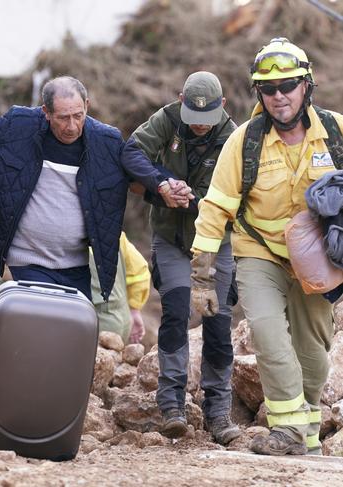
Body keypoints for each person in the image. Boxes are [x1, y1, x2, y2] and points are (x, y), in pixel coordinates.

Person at [191, 38, 343, 456]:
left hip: (318, 262)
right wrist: (202, 276)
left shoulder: (335, 131)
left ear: (307, 85)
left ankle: (306, 430)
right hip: (261, 253)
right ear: (259, 93)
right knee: (268, 334)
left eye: (288, 85)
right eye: (268, 89)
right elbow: (215, 207)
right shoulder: (244, 142)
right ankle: (287, 432)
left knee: (314, 352)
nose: (279, 97)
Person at [0, 76, 193, 303]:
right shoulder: (19, 124)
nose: (72, 126)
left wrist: (166, 186)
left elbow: (135, 176)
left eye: (78, 115)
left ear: (87, 105)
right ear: (45, 112)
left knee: (75, 332)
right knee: (43, 326)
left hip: (75, 265)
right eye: (63, 117)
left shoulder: (105, 141)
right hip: (26, 259)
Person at [130, 71, 241, 444]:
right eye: (192, 118)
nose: (198, 126)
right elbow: (131, 153)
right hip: (172, 240)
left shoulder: (233, 137)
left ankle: (219, 410)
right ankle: (172, 405)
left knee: (216, 321)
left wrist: (187, 196)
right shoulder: (166, 119)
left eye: (206, 119)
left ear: (222, 107)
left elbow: (239, 192)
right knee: (176, 311)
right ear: (180, 100)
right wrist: (160, 185)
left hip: (215, 243)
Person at [89, 232, 150, 344]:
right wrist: (134, 309)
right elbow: (140, 272)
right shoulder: (114, 231)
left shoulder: (71, 235)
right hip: (122, 320)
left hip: (95, 324)